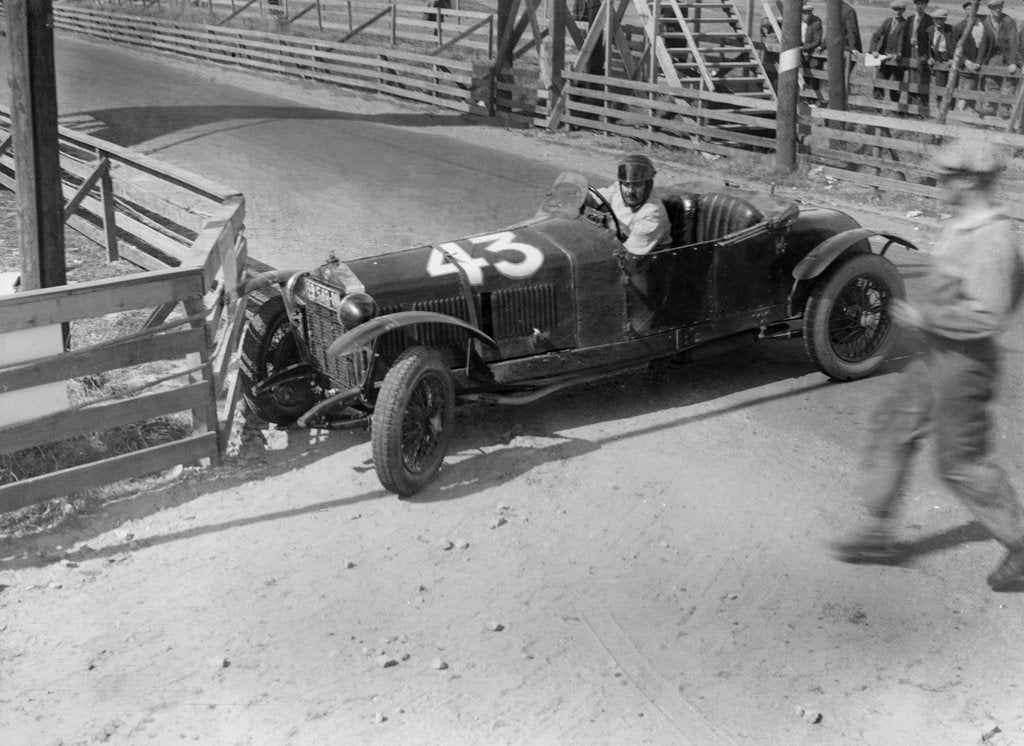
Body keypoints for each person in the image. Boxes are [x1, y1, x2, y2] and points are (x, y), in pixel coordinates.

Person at [833, 139, 1024, 593]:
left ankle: (1020, 542)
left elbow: (990, 314)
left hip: (965, 364)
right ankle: (878, 529)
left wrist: (928, 318)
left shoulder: (993, 240)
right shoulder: (963, 227)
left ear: (970, 181)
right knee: (894, 425)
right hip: (937, 353)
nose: (939, 184)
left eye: (945, 177)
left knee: (958, 462)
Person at [589, 155, 671, 256]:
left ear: (648, 185)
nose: (630, 191)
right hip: (615, 242)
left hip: (643, 264)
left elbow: (627, 255)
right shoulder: (618, 188)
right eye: (626, 185)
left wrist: (608, 221)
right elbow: (593, 199)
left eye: (637, 185)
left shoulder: (653, 214)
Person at [981, 0, 1020, 117]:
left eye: (1000, 7)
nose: (998, 9)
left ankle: (1005, 109)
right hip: (993, 55)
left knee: (1009, 82)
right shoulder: (987, 21)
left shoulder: (1008, 21)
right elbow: (984, 43)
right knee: (991, 81)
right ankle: (990, 108)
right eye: (995, 7)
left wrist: (1013, 62)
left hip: (1008, 55)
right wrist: (979, 61)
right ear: (990, 8)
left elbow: (1014, 42)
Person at [954, 0, 994, 112]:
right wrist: (965, 61)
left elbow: (985, 43)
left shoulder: (983, 24)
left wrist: (979, 61)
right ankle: (960, 114)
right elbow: (955, 47)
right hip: (965, 64)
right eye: (967, 9)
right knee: (965, 89)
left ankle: (973, 115)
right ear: (965, 11)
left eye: (973, 8)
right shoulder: (960, 27)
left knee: (980, 88)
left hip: (980, 62)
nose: (970, 11)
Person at [869, 0, 911, 102]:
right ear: (892, 10)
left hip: (898, 60)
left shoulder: (906, 24)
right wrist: (874, 50)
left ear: (904, 10)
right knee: (879, 83)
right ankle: (877, 108)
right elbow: (876, 36)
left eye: (900, 10)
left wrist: (899, 53)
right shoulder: (887, 22)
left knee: (895, 87)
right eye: (895, 9)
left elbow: (906, 43)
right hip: (884, 59)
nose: (897, 12)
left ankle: (894, 110)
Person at [904, 0, 934, 108]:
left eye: (922, 4)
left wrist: (929, 56)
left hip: (923, 54)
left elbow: (931, 40)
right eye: (918, 4)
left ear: (926, 5)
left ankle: (922, 108)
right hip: (912, 52)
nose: (920, 6)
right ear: (914, 5)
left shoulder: (929, 20)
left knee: (923, 79)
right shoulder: (910, 20)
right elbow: (904, 37)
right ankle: (910, 107)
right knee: (911, 78)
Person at [928, 8, 956, 110]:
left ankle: (950, 111)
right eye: (936, 19)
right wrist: (930, 57)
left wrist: (953, 59)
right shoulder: (930, 30)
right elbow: (926, 46)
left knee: (951, 86)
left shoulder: (952, 30)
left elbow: (956, 46)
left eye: (941, 19)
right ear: (933, 20)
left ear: (945, 20)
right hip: (938, 60)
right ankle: (940, 109)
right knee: (940, 85)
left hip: (949, 60)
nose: (939, 22)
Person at [801, 4, 825, 97]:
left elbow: (816, 41)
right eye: (804, 13)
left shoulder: (816, 22)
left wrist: (804, 48)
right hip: (801, 53)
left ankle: (814, 100)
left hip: (813, 53)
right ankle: (804, 98)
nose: (807, 15)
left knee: (814, 76)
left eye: (809, 13)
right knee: (803, 75)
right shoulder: (797, 21)